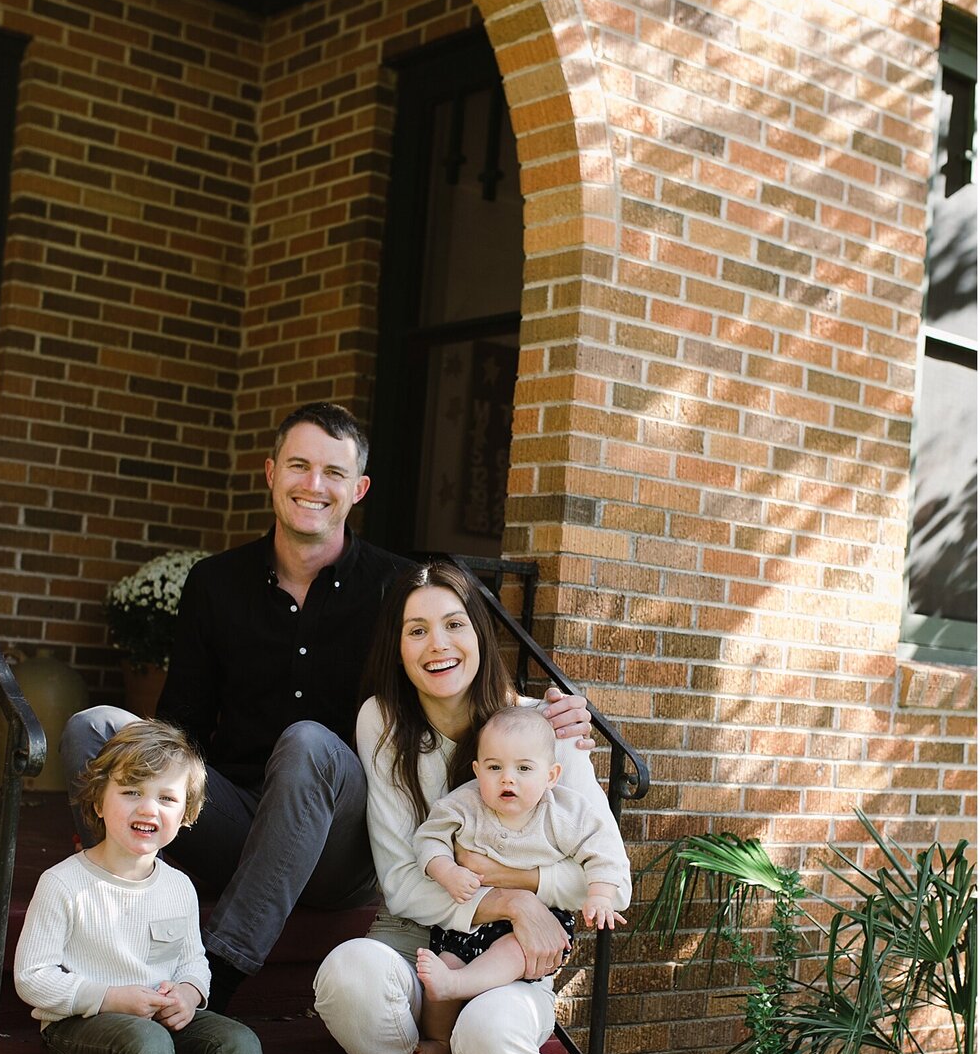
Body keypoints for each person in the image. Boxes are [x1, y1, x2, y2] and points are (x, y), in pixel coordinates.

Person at [61, 400, 594, 1010]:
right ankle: (115, 904)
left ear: (359, 488)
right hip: (235, 820)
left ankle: (218, 975)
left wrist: (540, 711)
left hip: (343, 840)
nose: (314, 485)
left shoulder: (398, 588)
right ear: (270, 472)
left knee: (309, 741)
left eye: (334, 473)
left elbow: (457, 676)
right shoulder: (216, 583)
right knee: (95, 728)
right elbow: (176, 726)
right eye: (299, 466)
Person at [313, 560, 631, 1054]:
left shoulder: (542, 726)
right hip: (419, 923)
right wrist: (501, 901)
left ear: (480, 634)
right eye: (417, 628)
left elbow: (588, 861)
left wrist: (521, 896)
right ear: (399, 643)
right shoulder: (383, 722)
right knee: (346, 976)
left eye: (453, 623)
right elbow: (402, 878)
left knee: (492, 1029)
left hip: (520, 955)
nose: (437, 643)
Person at [13, 720, 262, 1054]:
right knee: (149, 1045)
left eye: (166, 798)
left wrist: (191, 994)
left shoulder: (178, 887)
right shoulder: (64, 884)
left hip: (156, 1021)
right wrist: (109, 997)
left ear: (185, 815)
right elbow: (32, 978)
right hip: (79, 1027)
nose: (148, 808)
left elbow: (194, 960)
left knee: (239, 1045)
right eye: (131, 791)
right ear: (98, 800)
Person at [411, 703, 628, 1054]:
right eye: (494, 768)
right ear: (477, 770)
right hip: (473, 915)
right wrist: (445, 869)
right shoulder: (465, 804)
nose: (507, 779)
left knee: (511, 952)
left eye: (524, 769)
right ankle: (439, 1040)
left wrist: (601, 894)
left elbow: (603, 850)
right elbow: (428, 839)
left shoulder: (563, 814)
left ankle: (459, 983)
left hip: (538, 921)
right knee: (442, 970)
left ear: (551, 775)